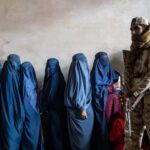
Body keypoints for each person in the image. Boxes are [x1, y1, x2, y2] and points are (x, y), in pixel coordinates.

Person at [123, 16, 150, 149]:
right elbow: (128, 74)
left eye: (136, 28)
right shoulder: (134, 49)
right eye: (131, 29)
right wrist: (126, 92)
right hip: (133, 100)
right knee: (131, 135)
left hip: (146, 97)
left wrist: (135, 91)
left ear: (145, 29)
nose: (133, 32)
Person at [91, 52, 121, 150]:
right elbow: (96, 91)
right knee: (102, 126)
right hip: (100, 105)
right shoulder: (94, 75)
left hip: (112, 106)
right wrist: (111, 87)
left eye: (106, 60)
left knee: (113, 125)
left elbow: (118, 82)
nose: (105, 63)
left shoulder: (111, 71)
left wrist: (116, 89)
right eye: (102, 61)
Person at [64, 53, 94, 150]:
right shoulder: (82, 73)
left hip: (80, 112)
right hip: (82, 112)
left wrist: (82, 108)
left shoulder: (73, 72)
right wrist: (82, 108)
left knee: (80, 141)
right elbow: (79, 94)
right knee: (82, 141)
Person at [41, 58, 70, 150]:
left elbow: (49, 96)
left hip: (55, 110)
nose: (49, 68)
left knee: (55, 132)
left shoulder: (54, 78)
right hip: (60, 108)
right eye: (48, 66)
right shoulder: (58, 74)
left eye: (51, 66)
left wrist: (41, 108)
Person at [0, 54, 25, 150]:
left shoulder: (6, 72)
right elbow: (15, 100)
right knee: (11, 139)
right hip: (12, 113)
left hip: (6, 111)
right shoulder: (12, 75)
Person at [20, 61, 44, 150]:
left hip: (32, 113)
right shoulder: (28, 83)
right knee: (33, 135)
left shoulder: (22, 82)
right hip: (31, 113)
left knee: (33, 134)